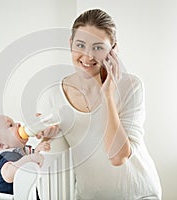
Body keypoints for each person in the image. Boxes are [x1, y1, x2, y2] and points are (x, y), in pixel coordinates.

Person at [36, 8, 162, 199]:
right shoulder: (52, 96)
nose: (87, 56)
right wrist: (44, 139)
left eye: (98, 47)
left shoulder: (131, 87)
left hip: (139, 194)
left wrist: (108, 97)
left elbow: (118, 157)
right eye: (80, 45)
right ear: (70, 43)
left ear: (113, 50)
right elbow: (53, 158)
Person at [0, 114, 52, 195]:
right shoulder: (5, 156)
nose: (18, 124)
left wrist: (41, 137)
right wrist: (31, 158)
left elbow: (36, 159)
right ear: (1, 145)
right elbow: (8, 175)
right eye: (11, 125)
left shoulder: (23, 151)